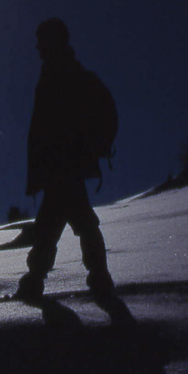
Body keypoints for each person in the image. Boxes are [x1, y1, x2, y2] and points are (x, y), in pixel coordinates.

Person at [14, 18, 115, 302]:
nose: (37, 47)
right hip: (61, 167)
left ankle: (39, 282)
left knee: (57, 224)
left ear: (52, 41)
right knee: (65, 223)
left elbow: (51, 127)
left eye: (41, 40)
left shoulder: (62, 73)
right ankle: (97, 279)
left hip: (63, 166)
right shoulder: (59, 72)